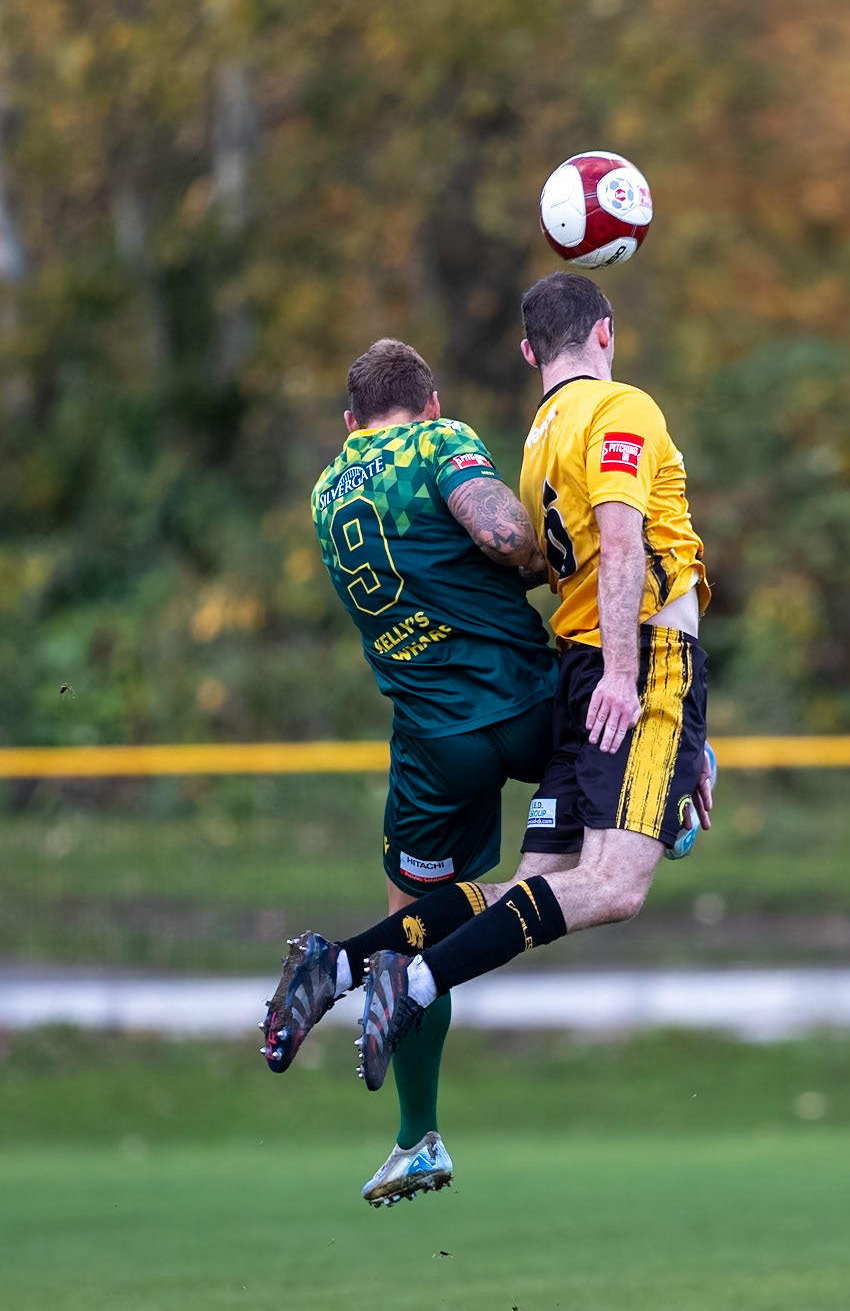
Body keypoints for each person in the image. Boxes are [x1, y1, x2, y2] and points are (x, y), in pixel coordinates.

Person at [265, 273, 714, 1103]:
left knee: (526, 884)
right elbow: (608, 549)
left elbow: (549, 558)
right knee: (614, 884)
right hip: (614, 668)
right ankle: (419, 981)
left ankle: (346, 964)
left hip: (489, 704)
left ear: (527, 350)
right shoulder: (618, 411)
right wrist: (636, 683)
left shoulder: (536, 439)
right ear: (606, 334)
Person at [261, 338, 559, 1205]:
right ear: (431, 404)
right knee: (633, 766)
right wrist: (546, 553)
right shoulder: (437, 444)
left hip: (432, 748)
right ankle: (687, 794)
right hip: (524, 705)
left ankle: (415, 1136)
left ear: (350, 423)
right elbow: (502, 531)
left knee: (418, 920)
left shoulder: (325, 491)